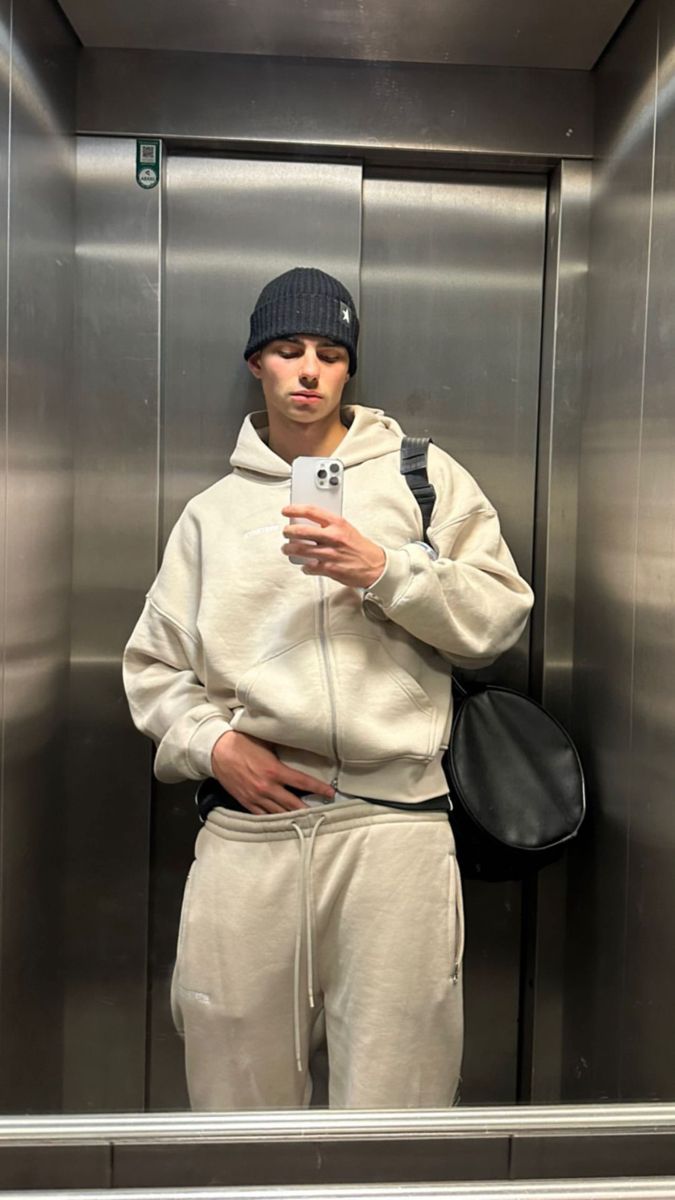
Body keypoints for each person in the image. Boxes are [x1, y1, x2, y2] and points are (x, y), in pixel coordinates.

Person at [123, 266, 534, 1111]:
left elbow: (498, 617)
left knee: (398, 1103)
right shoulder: (211, 515)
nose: (308, 370)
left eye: (330, 353)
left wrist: (385, 571)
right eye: (287, 350)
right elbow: (153, 668)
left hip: (396, 829)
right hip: (252, 835)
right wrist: (216, 746)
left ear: (348, 369)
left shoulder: (422, 478)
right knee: (236, 1103)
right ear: (256, 364)